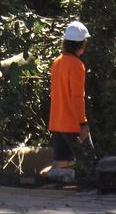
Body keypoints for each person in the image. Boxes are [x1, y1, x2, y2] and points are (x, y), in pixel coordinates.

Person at [47, 20, 91, 183]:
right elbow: (77, 97)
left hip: (56, 122)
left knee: (60, 164)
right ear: (81, 44)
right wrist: (83, 123)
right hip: (70, 123)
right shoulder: (77, 65)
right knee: (74, 167)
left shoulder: (57, 62)